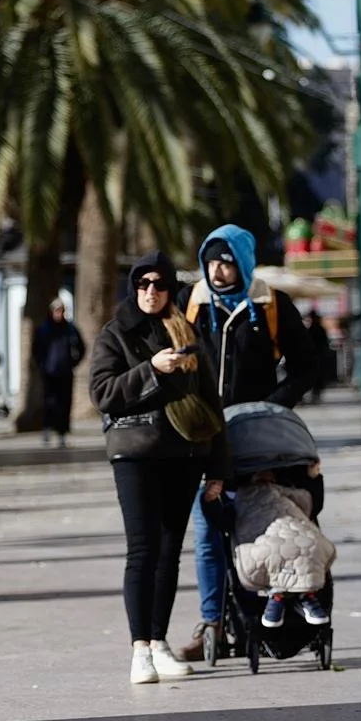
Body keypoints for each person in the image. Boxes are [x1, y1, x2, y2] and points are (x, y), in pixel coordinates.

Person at [173, 223, 318, 662]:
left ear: (244, 262)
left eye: (228, 261)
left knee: (257, 528)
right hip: (205, 438)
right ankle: (212, 622)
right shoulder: (190, 303)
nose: (218, 271)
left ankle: (257, 621)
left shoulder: (271, 304)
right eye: (212, 261)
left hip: (257, 440)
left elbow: (308, 367)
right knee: (207, 532)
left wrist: (269, 409)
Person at [90, 250, 230, 684]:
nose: (151, 292)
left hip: (184, 454)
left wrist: (218, 467)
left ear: (171, 290)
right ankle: (139, 651)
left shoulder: (186, 332)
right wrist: (151, 369)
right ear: (134, 288)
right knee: (143, 549)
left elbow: (211, 401)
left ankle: (159, 641)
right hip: (134, 452)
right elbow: (103, 393)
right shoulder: (115, 334)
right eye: (143, 284)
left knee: (170, 552)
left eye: (160, 284)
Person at [233, 468, 334, 627]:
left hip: (264, 541)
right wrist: (315, 477)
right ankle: (306, 594)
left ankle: (277, 595)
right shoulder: (286, 492)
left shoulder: (241, 496)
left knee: (263, 555)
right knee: (310, 549)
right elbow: (308, 503)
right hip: (301, 537)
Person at [32, 298, 85, 447]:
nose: (59, 314)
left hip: (65, 372)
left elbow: (81, 347)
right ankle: (47, 430)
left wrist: (73, 363)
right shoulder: (43, 329)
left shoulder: (70, 329)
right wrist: (42, 365)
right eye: (56, 310)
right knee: (49, 403)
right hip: (49, 372)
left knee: (64, 404)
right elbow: (36, 350)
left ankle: (62, 433)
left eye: (61, 310)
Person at [303, 310, 334, 403]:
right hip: (318, 356)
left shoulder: (313, 329)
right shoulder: (317, 329)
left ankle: (315, 395)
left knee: (316, 377)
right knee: (317, 377)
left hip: (316, 356)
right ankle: (316, 395)